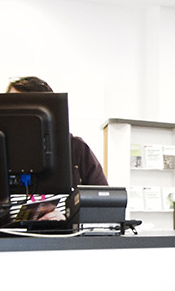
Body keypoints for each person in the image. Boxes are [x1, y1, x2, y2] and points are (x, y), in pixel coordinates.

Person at [6, 76, 108, 221]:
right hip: (8, 235)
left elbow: (103, 206)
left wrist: (68, 221)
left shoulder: (76, 149)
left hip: (64, 234)